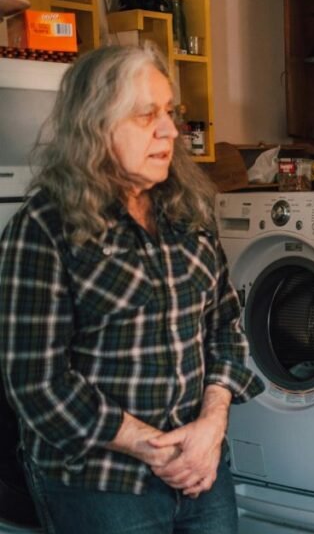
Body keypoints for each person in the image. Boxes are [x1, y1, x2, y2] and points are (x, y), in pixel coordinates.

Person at [0, 43, 264, 534]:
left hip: (201, 473)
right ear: (96, 127)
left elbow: (225, 326)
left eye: (169, 112)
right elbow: (37, 382)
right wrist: (150, 445)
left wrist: (211, 426)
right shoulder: (43, 227)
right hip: (100, 486)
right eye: (147, 116)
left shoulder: (188, 211)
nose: (169, 130)